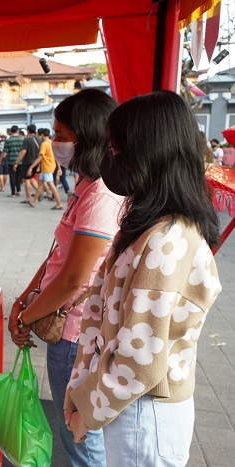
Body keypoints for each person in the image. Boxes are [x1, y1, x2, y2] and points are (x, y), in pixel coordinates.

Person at [65, 90, 221, 467]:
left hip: (145, 411)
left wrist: (87, 408)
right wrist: (79, 390)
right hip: (127, 401)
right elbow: (97, 310)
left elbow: (140, 359)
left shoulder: (167, 240)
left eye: (117, 151)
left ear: (150, 154)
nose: (108, 160)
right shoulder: (144, 228)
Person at [8, 88, 123, 467]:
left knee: (79, 433)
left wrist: (25, 317)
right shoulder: (85, 185)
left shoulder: (102, 193)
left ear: (88, 137)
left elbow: (74, 277)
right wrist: (24, 299)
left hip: (76, 332)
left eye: (61, 136)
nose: (54, 143)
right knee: (74, 430)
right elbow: (57, 255)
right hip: (71, 326)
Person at [28, 128, 63, 209]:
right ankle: (33, 202)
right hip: (49, 166)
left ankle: (59, 203)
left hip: (46, 167)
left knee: (51, 185)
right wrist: (59, 168)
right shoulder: (52, 143)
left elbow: (40, 157)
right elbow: (56, 157)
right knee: (40, 184)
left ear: (42, 135)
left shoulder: (44, 144)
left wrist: (31, 167)